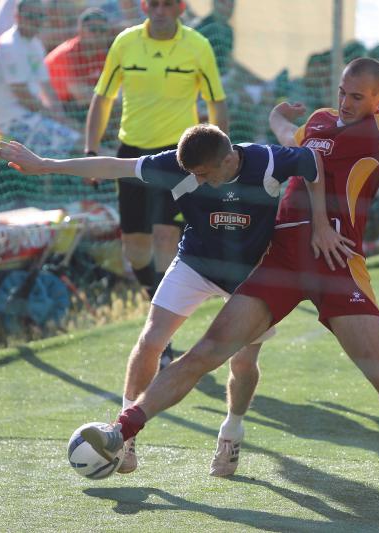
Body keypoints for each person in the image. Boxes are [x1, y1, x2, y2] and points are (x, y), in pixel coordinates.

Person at [78, 18, 379, 486]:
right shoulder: (319, 121)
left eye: (357, 96)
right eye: (342, 92)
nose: (346, 102)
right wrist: (278, 116)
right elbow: (289, 142)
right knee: (204, 353)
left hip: (336, 262)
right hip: (278, 260)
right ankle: (121, 431)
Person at [0, 123, 347, 475]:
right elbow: (114, 166)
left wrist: (321, 224)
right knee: (151, 341)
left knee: (242, 363)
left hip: (250, 275)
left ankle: (232, 430)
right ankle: (124, 437)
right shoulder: (176, 166)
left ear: (228, 160)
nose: (197, 180)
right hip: (195, 262)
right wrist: (46, 165)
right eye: (192, 174)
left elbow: (312, 162)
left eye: (204, 174)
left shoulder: (267, 161)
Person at [85, 0, 229, 372]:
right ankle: (157, 304)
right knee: (135, 249)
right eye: (154, 3)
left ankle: (162, 336)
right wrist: (91, 149)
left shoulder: (198, 45)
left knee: (167, 237)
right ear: (144, 6)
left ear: (180, 8)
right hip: (132, 154)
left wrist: (219, 156)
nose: (160, 10)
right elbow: (103, 97)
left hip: (180, 156)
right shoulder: (125, 42)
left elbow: (216, 102)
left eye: (168, 4)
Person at [0, 0, 82, 158]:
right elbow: (23, 95)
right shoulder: (9, 45)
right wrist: (53, 116)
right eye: (30, 16)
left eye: (40, 16)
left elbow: (46, 87)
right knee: (78, 146)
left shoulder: (35, 44)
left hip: (32, 114)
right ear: (17, 16)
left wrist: (60, 116)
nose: (36, 22)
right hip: (11, 121)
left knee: (81, 138)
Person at [45, 8, 113, 123]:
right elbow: (80, 95)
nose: (98, 34)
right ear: (80, 29)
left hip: (79, 106)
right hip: (55, 108)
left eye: (102, 30)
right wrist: (112, 97)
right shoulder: (66, 54)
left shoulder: (101, 54)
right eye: (93, 29)